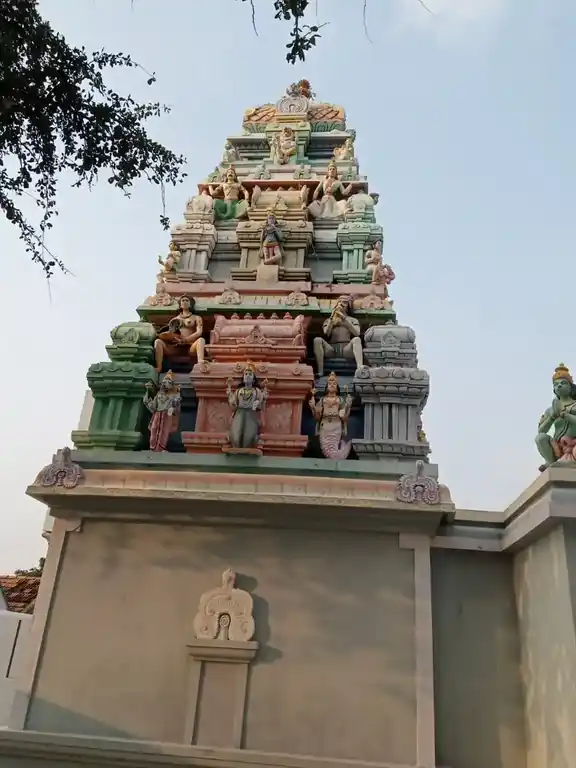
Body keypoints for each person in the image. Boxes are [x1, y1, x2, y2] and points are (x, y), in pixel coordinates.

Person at [154, 295, 205, 372]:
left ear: (190, 304)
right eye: (183, 300)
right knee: (158, 342)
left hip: (190, 347)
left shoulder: (196, 318)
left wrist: (185, 340)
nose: (184, 302)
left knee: (201, 340)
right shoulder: (174, 319)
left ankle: (200, 362)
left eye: (187, 300)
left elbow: (199, 332)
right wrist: (163, 335)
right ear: (180, 304)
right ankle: (159, 367)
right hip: (175, 348)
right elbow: (171, 333)